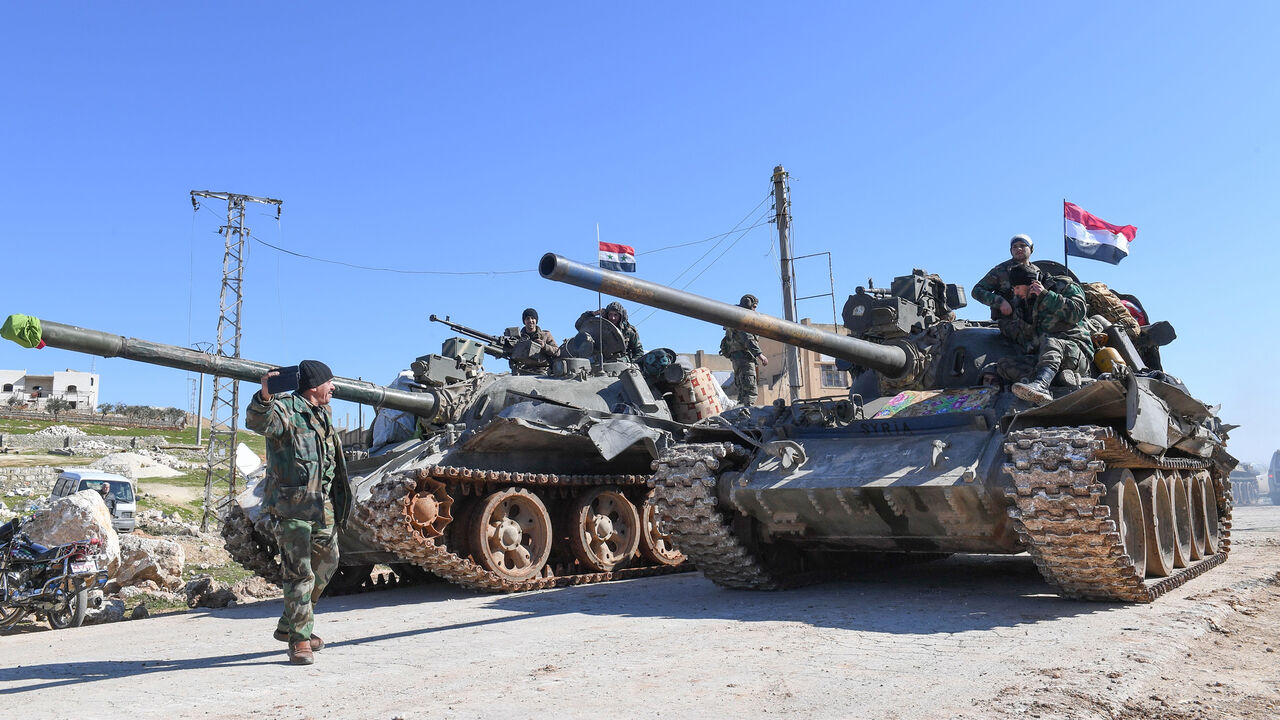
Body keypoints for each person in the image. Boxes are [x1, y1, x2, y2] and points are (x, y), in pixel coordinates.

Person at [245, 360, 352, 666]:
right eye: (329, 382)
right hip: (291, 506)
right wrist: (265, 396)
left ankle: (290, 622)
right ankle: (299, 640)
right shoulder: (286, 409)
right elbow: (258, 422)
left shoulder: (323, 413)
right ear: (314, 385)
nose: (333, 387)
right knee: (299, 573)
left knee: (329, 562)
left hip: (321, 505)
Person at [1004, 265, 1096, 406]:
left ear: (1032, 283)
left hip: (1075, 353)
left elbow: (1077, 313)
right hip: (1045, 358)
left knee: (1051, 343)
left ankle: (1041, 385)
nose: (1015, 293)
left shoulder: (1064, 286)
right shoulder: (1024, 304)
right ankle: (1058, 379)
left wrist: (1046, 295)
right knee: (1004, 365)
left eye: (1017, 287)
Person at [972, 235, 1040, 335]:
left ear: (1031, 248)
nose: (1018, 249)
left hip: (1033, 323)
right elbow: (977, 291)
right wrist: (1000, 302)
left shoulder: (1037, 271)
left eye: (1023, 245)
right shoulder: (1001, 270)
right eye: (1015, 247)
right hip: (1010, 323)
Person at [720, 294, 770, 406]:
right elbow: (748, 338)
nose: (755, 310)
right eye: (754, 306)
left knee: (743, 391)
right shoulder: (742, 319)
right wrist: (760, 355)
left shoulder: (732, 318)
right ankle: (747, 415)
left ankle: (741, 414)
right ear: (749, 305)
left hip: (736, 360)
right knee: (750, 391)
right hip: (745, 359)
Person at [577, 301, 643, 363]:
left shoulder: (628, 331)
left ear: (620, 316)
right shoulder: (599, 327)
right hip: (599, 362)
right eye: (610, 314)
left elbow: (638, 352)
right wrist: (593, 313)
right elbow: (579, 325)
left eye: (615, 315)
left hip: (621, 364)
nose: (612, 318)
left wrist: (632, 365)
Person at [509, 308, 561, 375]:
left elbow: (557, 352)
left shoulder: (545, 335)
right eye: (527, 318)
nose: (530, 320)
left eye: (532, 318)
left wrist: (544, 346)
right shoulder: (519, 338)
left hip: (543, 371)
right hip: (523, 371)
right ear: (524, 321)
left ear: (536, 320)